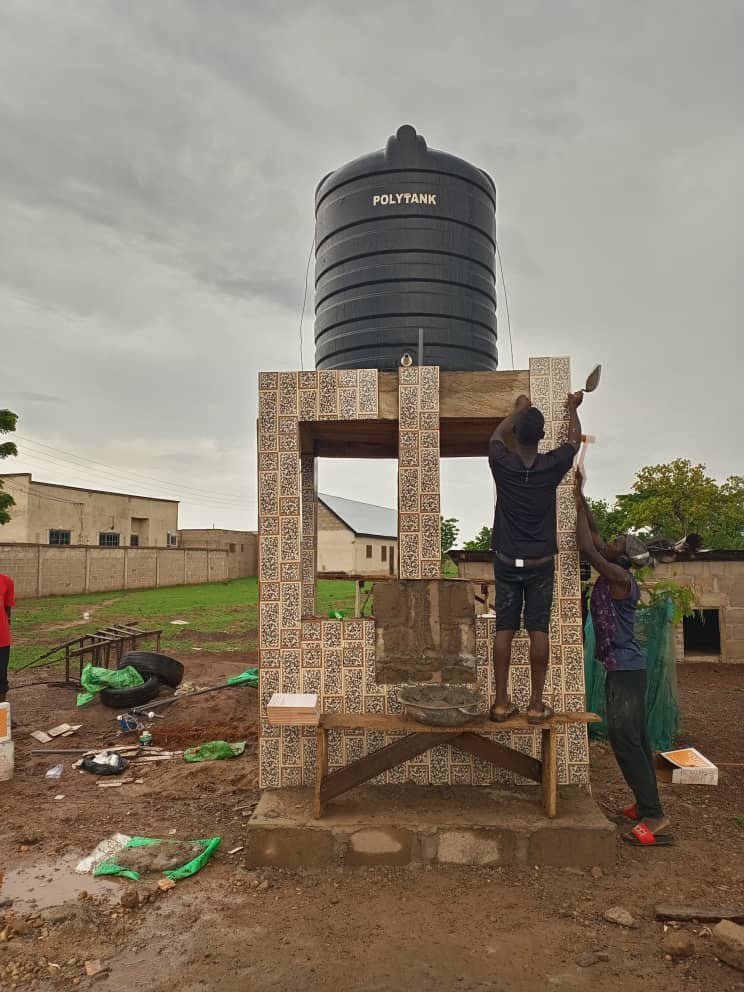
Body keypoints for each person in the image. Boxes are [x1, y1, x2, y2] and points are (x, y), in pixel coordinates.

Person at [575, 476, 672, 846]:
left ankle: (655, 815)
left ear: (622, 558)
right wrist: (579, 492)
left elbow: (586, 546)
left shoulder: (618, 577)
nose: (610, 541)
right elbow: (595, 533)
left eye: (616, 543)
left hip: (627, 670)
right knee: (637, 739)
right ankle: (646, 802)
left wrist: (574, 499)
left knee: (626, 739)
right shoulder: (615, 568)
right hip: (624, 667)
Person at [488, 391, 584, 724]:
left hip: (506, 560)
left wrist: (518, 410)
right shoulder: (552, 465)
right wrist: (572, 408)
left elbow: (496, 436)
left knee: (505, 629)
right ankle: (535, 705)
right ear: (542, 437)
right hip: (540, 562)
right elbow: (574, 441)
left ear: (517, 433)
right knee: (537, 629)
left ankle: (500, 704)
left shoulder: (501, 462)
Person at [0, 572, 15, 704]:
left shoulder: (6, 581)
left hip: (2, 640)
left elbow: (7, 608)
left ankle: (3, 715)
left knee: (1, 678)